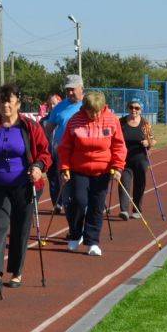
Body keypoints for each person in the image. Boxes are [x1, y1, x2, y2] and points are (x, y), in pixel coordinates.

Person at [0, 83, 52, 289]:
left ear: (18, 102)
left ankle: (16, 271)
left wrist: (38, 166)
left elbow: (45, 152)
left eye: (8, 100)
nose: (5, 104)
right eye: (1, 100)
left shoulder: (30, 127)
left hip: (24, 185)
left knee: (20, 228)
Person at [58, 90, 127, 256]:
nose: (94, 115)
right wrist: (65, 168)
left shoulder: (111, 120)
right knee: (79, 202)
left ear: (103, 108)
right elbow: (65, 147)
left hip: (102, 171)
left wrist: (118, 167)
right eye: (90, 111)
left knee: (96, 206)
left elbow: (119, 146)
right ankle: (75, 235)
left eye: (97, 111)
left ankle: (92, 241)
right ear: (84, 108)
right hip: (79, 169)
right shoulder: (75, 121)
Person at [44, 76, 84, 212]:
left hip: (83, 154)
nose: (70, 93)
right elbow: (48, 128)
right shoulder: (60, 107)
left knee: (81, 192)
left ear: (81, 88)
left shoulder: (88, 105)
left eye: (73, 89)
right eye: (68, 90)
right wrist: (44, 146)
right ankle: (72, 223)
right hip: (63, 154)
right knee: (66, 188)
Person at [119, 98, 155, 220]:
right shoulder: (121, 122)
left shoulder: (145, 123)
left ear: (141, 110)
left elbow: (153, 140)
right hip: (124, 159)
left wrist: (148, 142)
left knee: (140, 184)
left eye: (137, 108)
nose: (134, 110)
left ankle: (137, 209)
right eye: (131, 107)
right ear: (128, 108)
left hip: (140, 159)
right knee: (124, 182)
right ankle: (124, 210)